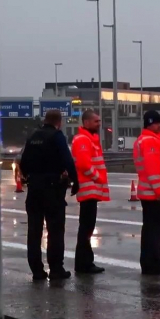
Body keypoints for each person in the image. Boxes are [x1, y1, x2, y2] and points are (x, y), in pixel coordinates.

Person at [19, 110, 79, 281]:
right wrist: (75, 181)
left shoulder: (33, 137)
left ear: (45, 120)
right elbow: (68, 160)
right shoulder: (57, 136)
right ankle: (56, 269)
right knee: (55, 230)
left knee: (34, 231)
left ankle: (37, 270)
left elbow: (23, 163)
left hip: (34, 189)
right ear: (59, 122)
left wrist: (31, 177)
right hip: (52, 189)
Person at [134, 110, 160, 275]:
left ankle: (149, 262)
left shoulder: (146, 140)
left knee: (150, 229)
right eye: (157, 122)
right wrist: (159, 190)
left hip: (150, 191)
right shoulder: (150, 141)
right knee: (155, 230)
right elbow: (152, 169)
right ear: (150, 123)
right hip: (153, 193)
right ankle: (153, 262)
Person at [71, 110, 109, 274]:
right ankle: (83, 263)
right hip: (88, 188)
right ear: (86, 123)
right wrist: (98, 177)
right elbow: (84, 165)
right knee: (86, 227)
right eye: (96, 121)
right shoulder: (82, 140)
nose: (99, 124)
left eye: (99, 121)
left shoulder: (90, 139)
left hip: (91, 189)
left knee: (87, 227)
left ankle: (86, 261)